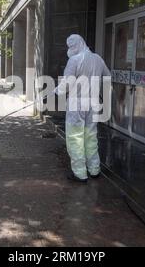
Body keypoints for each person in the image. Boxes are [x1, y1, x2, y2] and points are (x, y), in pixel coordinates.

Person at [55, 34, 111, 183]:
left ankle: (80, 173)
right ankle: (94, 169)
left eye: (72, 46)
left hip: (76, 105)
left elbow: (67, 83)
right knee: (91, 136)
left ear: (78, 44)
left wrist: (56, 91)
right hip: (93, 104)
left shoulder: (74, 60)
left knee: (75, 138)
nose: (70, 49)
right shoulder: (98, 59)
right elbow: (107, 76)